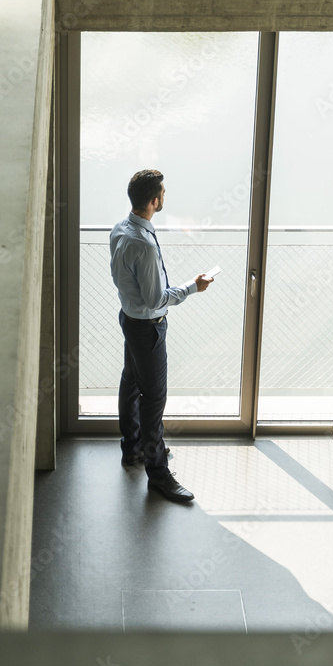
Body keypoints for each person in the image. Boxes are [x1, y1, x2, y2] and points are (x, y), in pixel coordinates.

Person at [109, 169, 213, 504]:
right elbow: (155, 299)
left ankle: (132, 448)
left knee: (130, 382)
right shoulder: (143, 244)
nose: (165, 196)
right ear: (154, 201)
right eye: (163, 193)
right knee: (154, 399)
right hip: (148, 327)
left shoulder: (119, 229)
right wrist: (192, 287)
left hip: (129, 319)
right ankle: (158, 474)